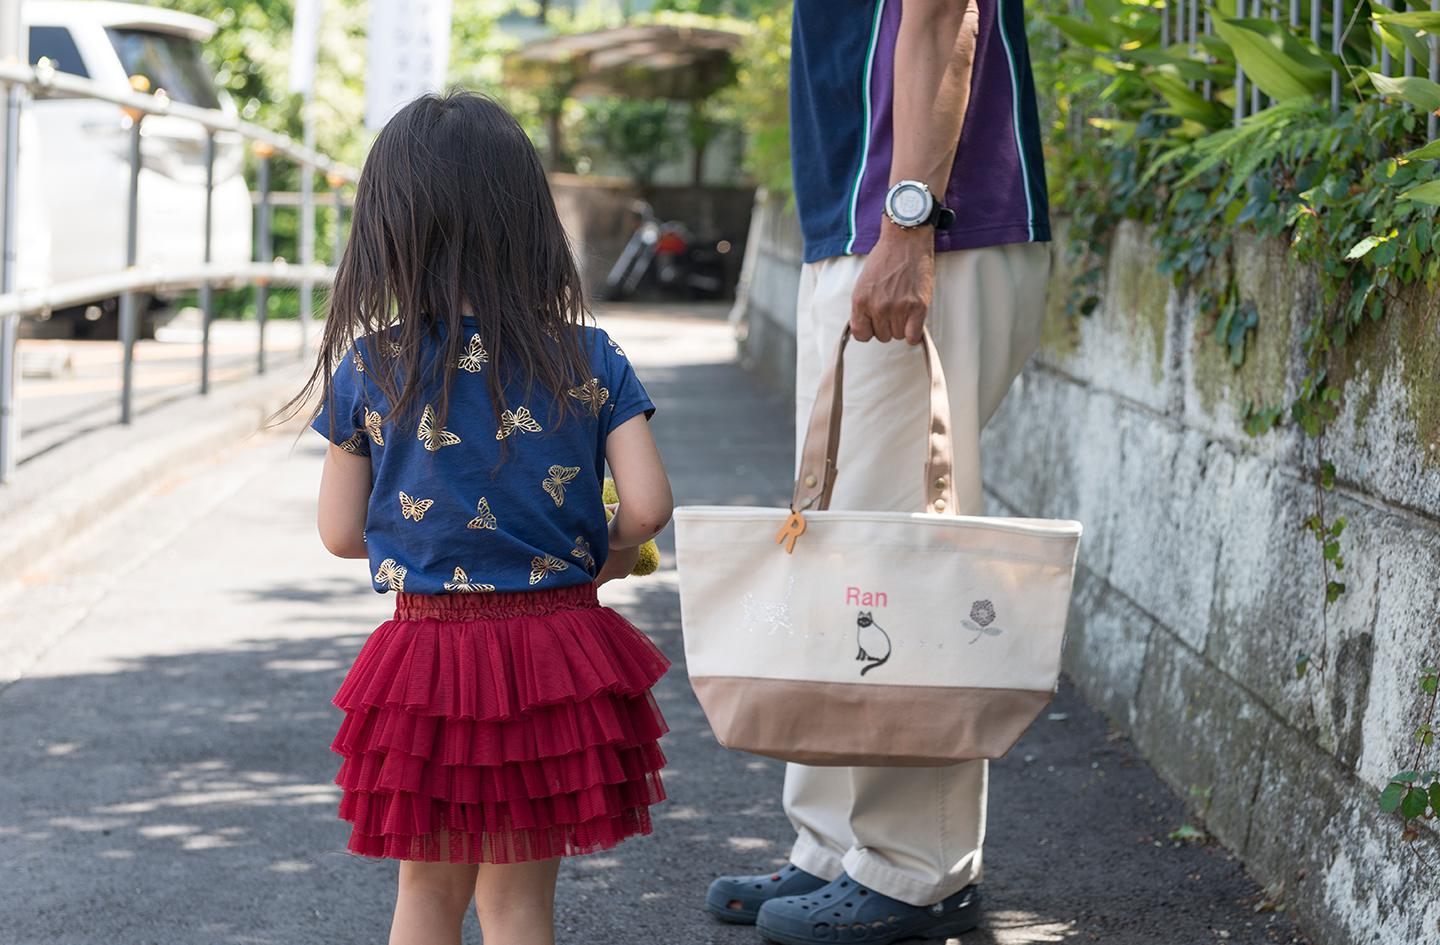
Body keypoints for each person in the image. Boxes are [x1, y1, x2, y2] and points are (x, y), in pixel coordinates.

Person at [294, 91, 674, 945]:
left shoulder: (372, 366)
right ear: (531, 222)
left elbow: (341, 531)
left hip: (426, 656)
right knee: (519, 902)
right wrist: (606, 556)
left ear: (391, 229)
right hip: (553, 656)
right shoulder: (590, 355)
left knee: (425, 893)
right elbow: (648, 506)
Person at [708, 0, 1051, 942]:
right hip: (859, 223)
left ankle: (917, 868)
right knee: (837, 547)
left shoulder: (913, 223)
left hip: (927, 221)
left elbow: (945, 13)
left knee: (892, 557)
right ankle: (832, 848)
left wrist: (908, 222)